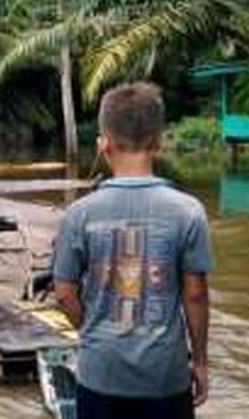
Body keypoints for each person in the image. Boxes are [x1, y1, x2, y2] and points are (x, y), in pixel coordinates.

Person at [53, 83, 211, 419]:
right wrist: (199, 362)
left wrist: (92, 331)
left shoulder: (78, 214)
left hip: (100, 374)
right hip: (165, 377)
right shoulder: (189, 211)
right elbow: (195, 294)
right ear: (159, 141)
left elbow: (64, 294)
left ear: (103, 144)